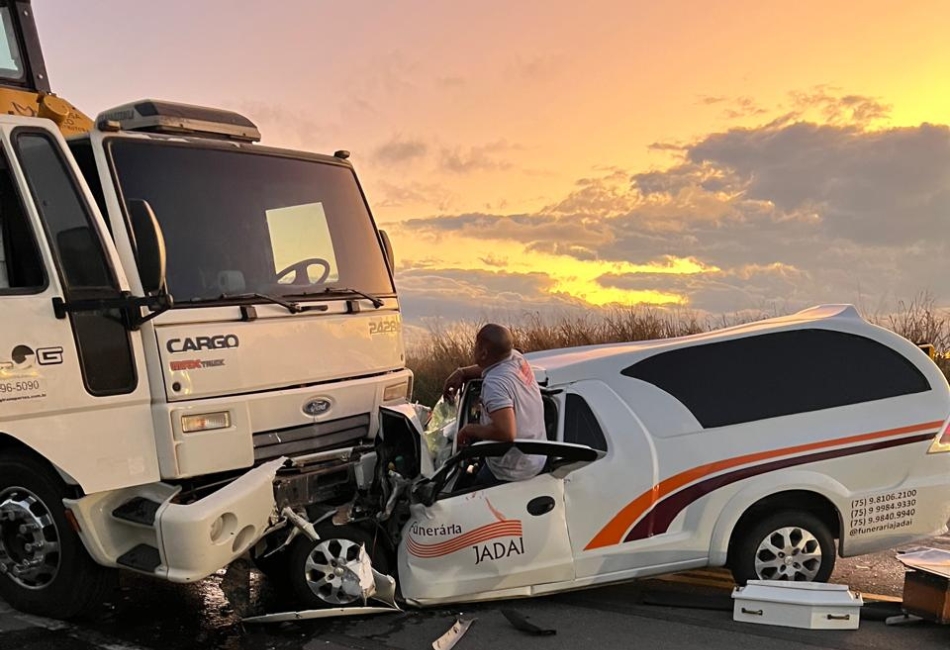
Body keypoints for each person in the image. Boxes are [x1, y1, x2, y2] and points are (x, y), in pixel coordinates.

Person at [442, 324, 546, 486]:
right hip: (534, 457)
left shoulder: (494, 385)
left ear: (483, 353)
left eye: (476, 345)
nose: (473, 348)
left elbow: (506, 432)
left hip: (512, 470)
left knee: (467, 494)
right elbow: (492, 366)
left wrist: (469, 429)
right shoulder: (515, 357)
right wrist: (463, 372)